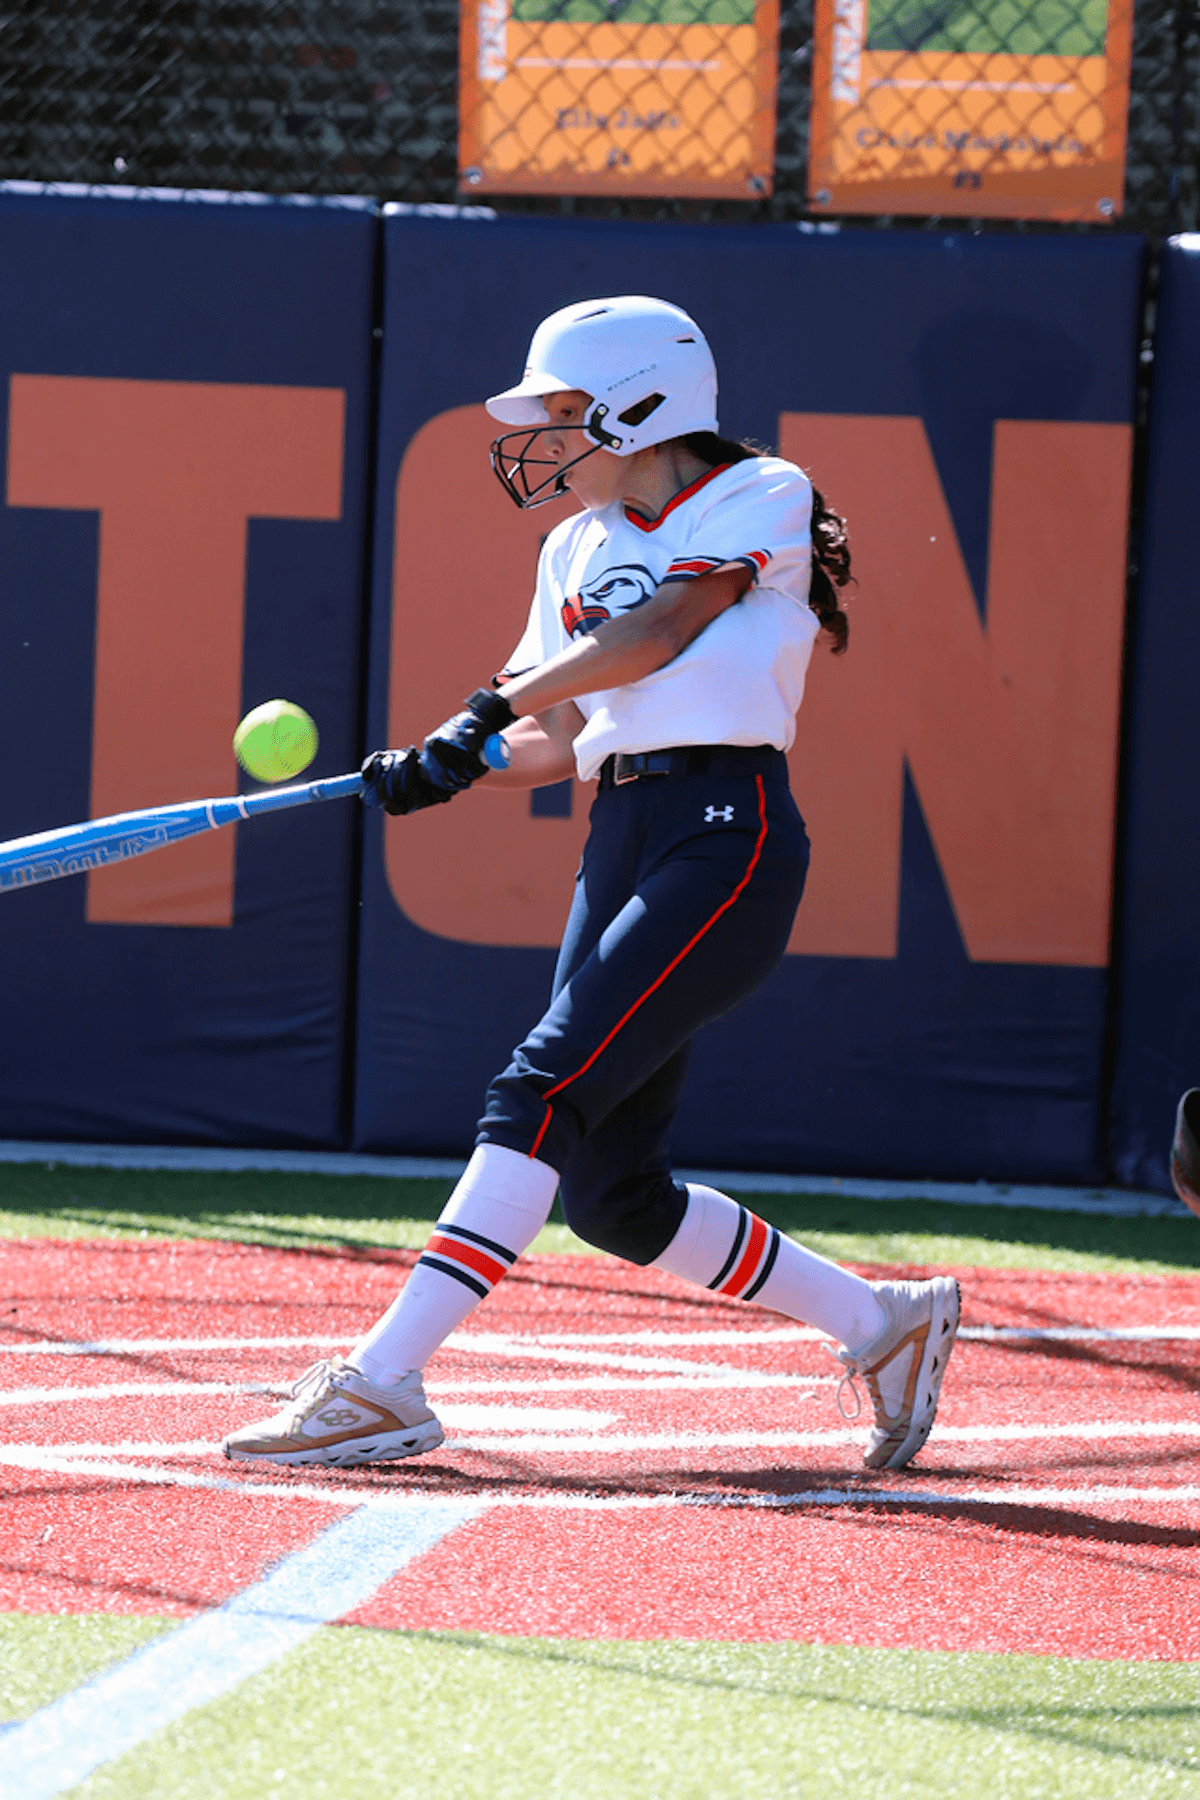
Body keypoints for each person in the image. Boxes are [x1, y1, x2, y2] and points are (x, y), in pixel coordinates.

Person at [222, 295, 960, 1476]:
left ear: (643, 404)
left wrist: (487, 709)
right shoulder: (569, 547)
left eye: (566, 414)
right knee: (615, 1195)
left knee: (536, 1089)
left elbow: (666, 630)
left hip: (726, 833)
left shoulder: (760, 492)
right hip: (620, 831)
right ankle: (886, 1325)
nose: (546, 441)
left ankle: (384, 1382)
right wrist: (452, 762)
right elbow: (559, 741)